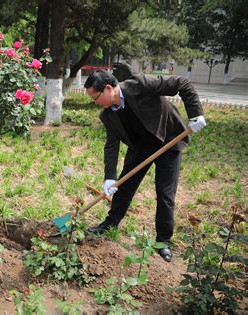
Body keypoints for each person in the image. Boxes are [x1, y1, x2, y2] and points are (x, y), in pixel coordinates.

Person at [84, 69, 206, 262]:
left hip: (169, 140)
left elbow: (182, 83)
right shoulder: (107, 115)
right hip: (140, 147)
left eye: (96, 97)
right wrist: (110, 177)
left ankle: (163, 241)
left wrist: (196, 114)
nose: (95, 103)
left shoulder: (140, 85)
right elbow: (111, 146)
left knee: (165, 194)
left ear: (108, 89)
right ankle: (110, 223)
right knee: (124, 187)